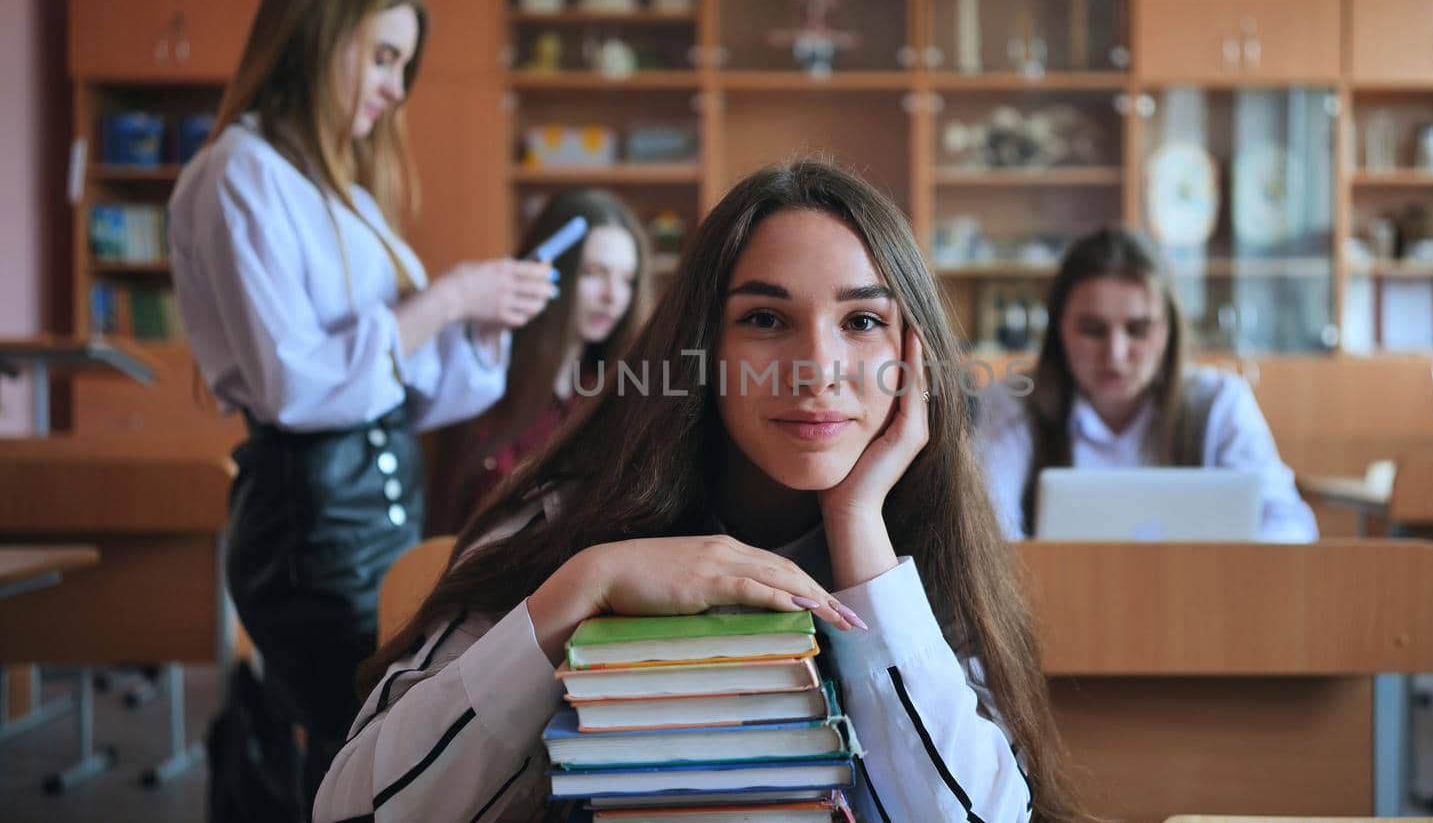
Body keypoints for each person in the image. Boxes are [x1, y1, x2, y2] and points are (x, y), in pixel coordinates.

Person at [313, 159, 1078, 822]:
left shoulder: (927, 537)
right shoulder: (556, 523)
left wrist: (858, 527)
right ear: (701, 351)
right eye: (767, 318)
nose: (817, 367)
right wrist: (587, 584)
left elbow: (978, 816)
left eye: (863, 319)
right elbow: (353, 808)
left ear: (913, 356)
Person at [167, 0, 556, 813]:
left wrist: (480, 324)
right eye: (382, 57)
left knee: (370, 736)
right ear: (317, 36)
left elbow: (413, 390)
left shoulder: (342, 193)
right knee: (366, 743)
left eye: (403, 67)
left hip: (370, 505)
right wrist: (451, 296)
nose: (392, 88)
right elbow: (294, 387)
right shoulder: (239, 174)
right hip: (309, 517)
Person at [975, 227, 1317, 543]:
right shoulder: (1013, 402)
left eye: (1138, 330)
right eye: (1092, 330)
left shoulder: (1219, 402)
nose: (1115, 353)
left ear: (1168, 331)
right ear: (1058, 330)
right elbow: (986, 528)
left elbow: (1289, 524)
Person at [430, 189, 652, 535]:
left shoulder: (618, 393)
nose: (613, 296)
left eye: (627, 280)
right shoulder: (483, 377)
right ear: (547, 273)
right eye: (593, 273)